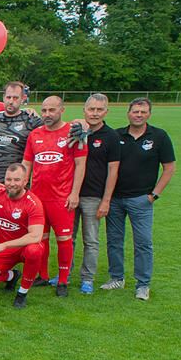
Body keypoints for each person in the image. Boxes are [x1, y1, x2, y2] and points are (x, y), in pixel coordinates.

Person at [104, 98, 176, 301]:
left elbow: (169, 168)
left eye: (143, 112)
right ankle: (117, 278)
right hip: (115, 199)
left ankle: (143, 284)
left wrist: (154, 195)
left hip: (141, 200)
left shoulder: (159, 136)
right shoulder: (117, 135)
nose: (139, 115)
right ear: (128, 113)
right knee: (114, 241)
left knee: (143, 243)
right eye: (135, 111)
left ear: (149, 114)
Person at [22, 96, 87, 296]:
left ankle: (63, 281)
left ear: (62, 110)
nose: (47, 114)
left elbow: (80, 165)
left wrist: (74, 193)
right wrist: (24, 188)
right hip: (38, 198)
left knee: (64, 239)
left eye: (52, 110)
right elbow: (27, 163)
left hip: (61, 198)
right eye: (44, 110)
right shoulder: (35, 134)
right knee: (40, 238)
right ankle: (42, 275)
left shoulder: (73, 133)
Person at [0, 164, 47, 309]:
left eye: (17, 180)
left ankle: (22, 293)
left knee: (34, 250)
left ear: (25, 181)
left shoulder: (33, 203)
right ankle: (12, 276)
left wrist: (4, 245)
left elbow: (35, 236)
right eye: (8, 179)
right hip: (6, 251)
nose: (12, 184)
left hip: (24, 248)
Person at [72, 94, 120, 295]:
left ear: (106, 112)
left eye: (99, 110)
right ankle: (65, 274)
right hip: (71, 194)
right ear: (84, 110)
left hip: (94, 196)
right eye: (91, 109)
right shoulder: (75, 130)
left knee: (91, 240)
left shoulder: (111, 136)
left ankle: (87, 278)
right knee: (68, 238)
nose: (95, 113)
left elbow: (113, 171)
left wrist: (106, 200)